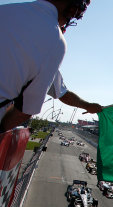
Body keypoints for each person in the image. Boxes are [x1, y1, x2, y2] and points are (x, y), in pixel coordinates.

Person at [0, 0, 102, 133]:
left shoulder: (5, 10)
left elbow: (60, 91)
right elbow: (25, 111)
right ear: (73, 9)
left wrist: (87, 105)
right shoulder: (55, 42)